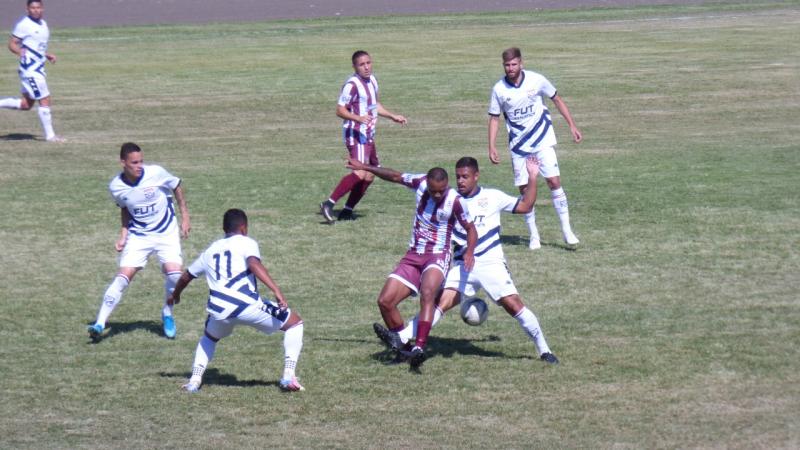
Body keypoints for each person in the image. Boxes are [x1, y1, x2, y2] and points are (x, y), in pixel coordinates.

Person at [375, 156, 559, 364]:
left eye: (465, 177)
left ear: (476, 176)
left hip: (491, 264)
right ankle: (404, 338)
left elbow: (525, 205)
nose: (461, 181)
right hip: (464, 266)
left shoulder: (493, 197)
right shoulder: (449, 200)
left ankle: (544, 350)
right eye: (458, 177)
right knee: (438, 304)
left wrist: (533, 176)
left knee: (514, 306)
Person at [346, 157, 477, 368]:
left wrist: (470, 251)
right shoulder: (420, 183)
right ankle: (404, 350)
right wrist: (364, 167)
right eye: (433, 191)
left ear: (446, 185)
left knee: (428, 293)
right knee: (385, 301)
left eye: (440, 191)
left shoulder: (455, 201)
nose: (436, 195)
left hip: (437, 256)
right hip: (413, 255)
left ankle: (419, 346)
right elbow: (396, 176)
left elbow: (471, 229)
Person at [168, 209, 305, 392]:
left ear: (224, 229)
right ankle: (288, 376)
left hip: (219, 313)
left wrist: (175, 294)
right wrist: (276, 290)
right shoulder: (246, 242)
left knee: (209, 337)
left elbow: (186, 276)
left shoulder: (210, 251)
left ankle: (194, 380)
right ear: (243, 227)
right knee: (295, 323)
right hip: (247, 306)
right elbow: (254, 264)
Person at [87, 143, 191, 341]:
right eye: (134, 162)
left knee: (175, 275)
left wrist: (185, 216)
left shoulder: (156, 173)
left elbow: (176, 185)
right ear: (123, 163)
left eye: (141, 161)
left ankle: (167, 314)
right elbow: (125, 208)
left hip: (165, 233)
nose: (139, 166)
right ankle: (100, 323)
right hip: (139, 236)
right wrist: (123, 234)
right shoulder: (116, 187)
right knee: (123, 276)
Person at [488, 47, 582, 249]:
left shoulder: (536, 80)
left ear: (521, 63)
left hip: (543, 140)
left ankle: (567, 230)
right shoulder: (499, 90)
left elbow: (556, 99)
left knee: (554, 181)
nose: (510, 68)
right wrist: (492, 146)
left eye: (514, 64)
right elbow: (494, 118)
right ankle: (534, 235)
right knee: (525, 190)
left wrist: (572, 125)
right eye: (507, 65)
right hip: (519, 146)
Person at [319, 50, 407, 223]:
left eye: (368, 63)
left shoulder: (372, 80)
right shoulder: (351, 85)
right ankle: (328, 204)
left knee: (371, 174)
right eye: (362, 64)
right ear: (355, 67)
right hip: (356, 134)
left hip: (368, 135)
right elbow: (340, 110)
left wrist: (392, 116)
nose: (366, 67)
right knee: (360, 172)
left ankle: (347, 210)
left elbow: (374, 105)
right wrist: (358, 118)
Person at [0, 0, 64, 142]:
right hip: (30, 69)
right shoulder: (24, 24)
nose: (35, 10)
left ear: (42, 8)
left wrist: (46, 55)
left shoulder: (43, 24)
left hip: (38, 67)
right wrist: (20, 52)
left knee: (26, 105)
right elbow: (12, 44)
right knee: (45, 99)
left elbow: (35, 46)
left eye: (38, 7)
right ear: (27, 9)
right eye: (32, 8)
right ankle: (50, 136)